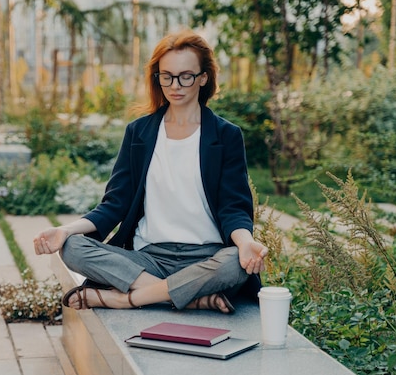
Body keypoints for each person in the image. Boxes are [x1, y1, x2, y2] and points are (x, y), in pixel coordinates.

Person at [34, 29, 268, 313]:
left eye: (186, 76)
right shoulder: (139, 133)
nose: (175, 85)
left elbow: (234, 208)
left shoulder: (226, 135)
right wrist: (64, 230)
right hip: (149, 258)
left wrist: (245, 244)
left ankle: (128, 298)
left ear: (203, 78)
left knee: (234, 264)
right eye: (166, 75)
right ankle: (187, 296)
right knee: (72, 247)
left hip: (207, 258)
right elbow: (114, 204)